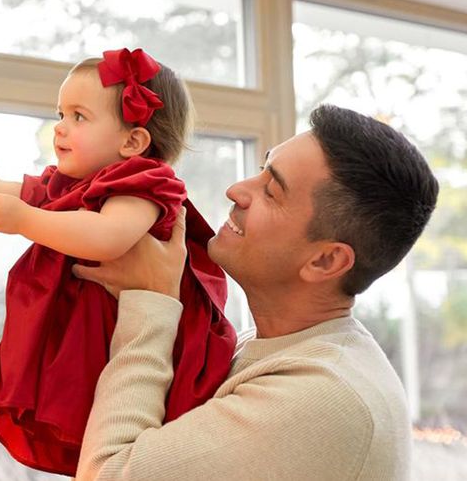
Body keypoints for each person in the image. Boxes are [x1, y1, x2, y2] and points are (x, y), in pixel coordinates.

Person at [0, 48, 235, 476]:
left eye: (78, 116)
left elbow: (107, 237)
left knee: (126, 438)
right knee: (97, 439)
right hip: (93, 339)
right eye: (60, 113)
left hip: (144, 345)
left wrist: (26, 219)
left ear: (133, 141)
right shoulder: (66, 186)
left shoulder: (146, 185)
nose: (60, 128)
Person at [73, 104, 438, 480]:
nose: (236, 190)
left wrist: (150, 301)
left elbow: (107, 474)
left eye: (272, 191)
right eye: (261, 168)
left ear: (325, 261)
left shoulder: (322, 397)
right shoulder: (274, 349)